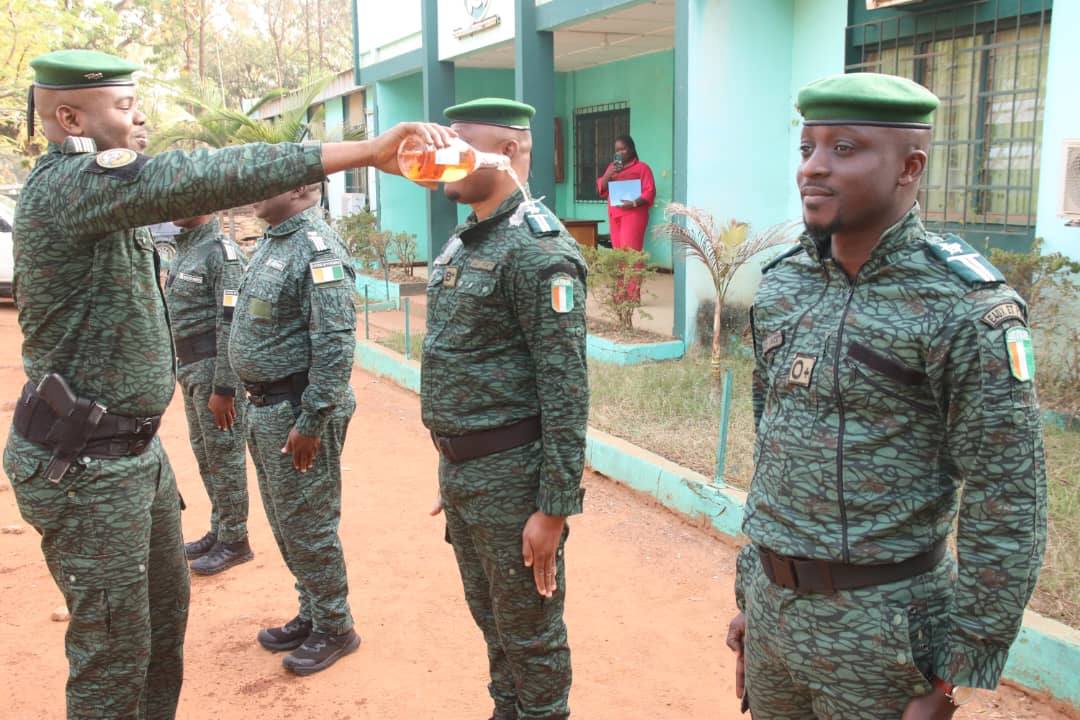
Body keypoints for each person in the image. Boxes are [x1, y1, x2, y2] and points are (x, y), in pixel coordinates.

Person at [3, 48, 452, 719]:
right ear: (69, 116)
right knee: (112, 654)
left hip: (130, 455)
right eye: (125, 106)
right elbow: (197, 178)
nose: (141, 116)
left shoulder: (111, 204)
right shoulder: (71, 188)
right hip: (86, 466)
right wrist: (362, 150)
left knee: (158, 632)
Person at [726, 73, 1047, 720]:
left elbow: (1007, 500)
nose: (813, 168)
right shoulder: (783, 285)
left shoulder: (964, 309)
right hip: (773, 617)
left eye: (844, 148)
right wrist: (750, 593)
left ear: (910, 167)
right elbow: (773, 446)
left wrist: (955, 675)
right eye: (808, 147)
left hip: (885, 635)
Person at [422, 98, 589, 720]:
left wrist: (553, 507)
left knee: (531, 632)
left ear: (511, 151)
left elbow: (566, 389)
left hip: (514, 480)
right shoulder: (467, 240)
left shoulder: (539, 251)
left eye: (458, 148)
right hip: (467, 474)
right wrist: (455, 459)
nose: (443, 164)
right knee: (491, 620)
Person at [229, 183, 359, 675]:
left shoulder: (316, 248)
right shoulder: (273, 241)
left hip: (297, 411)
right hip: (265, 407)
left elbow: (335, 343)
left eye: (271, 179)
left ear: (303, 187)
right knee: (287, 519)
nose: (255, 190)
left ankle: (335, 626)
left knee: (309, 520)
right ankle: (312, 611)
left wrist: (311, 420)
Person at [164, 213, 253, 575]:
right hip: (190, 367)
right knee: (206, 453)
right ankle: (219, 529)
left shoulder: (222, 253)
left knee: (225, 455)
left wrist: (225, 388)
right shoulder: (187, 249)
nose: (174, 206)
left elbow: (231, 323)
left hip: (213, 369)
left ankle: (236, 540)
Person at [596, 134, 656, 252]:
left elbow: (650, 191)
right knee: (618, 252)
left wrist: (633, 203)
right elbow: (601, 189)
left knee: (630, 252)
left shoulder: (642, 167)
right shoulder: (611, 168)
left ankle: (634, 272)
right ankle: (621, 272)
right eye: (617, 150)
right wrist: (608, 174)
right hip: (614, 213)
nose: (620, 152)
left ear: (631, 149)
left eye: (623, 149)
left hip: (633, 213)